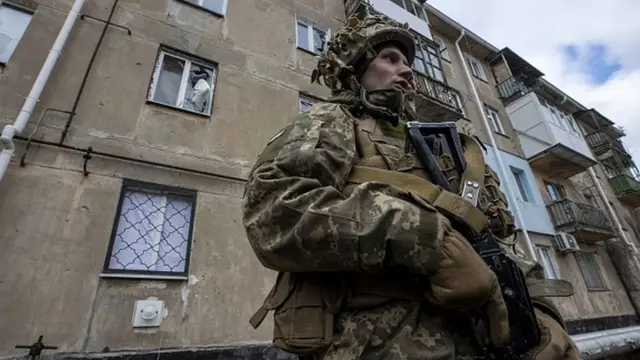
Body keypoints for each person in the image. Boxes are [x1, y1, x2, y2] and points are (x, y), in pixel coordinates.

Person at [242, 8, 579, 360]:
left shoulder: (442, 146)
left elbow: (492, 244)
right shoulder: (331, 122)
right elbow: (273, 211)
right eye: (390, 58)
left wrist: (540, 316)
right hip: (376, 343)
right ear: (355, 67)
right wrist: (425, 237)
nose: (406, 70)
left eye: (408, 62)